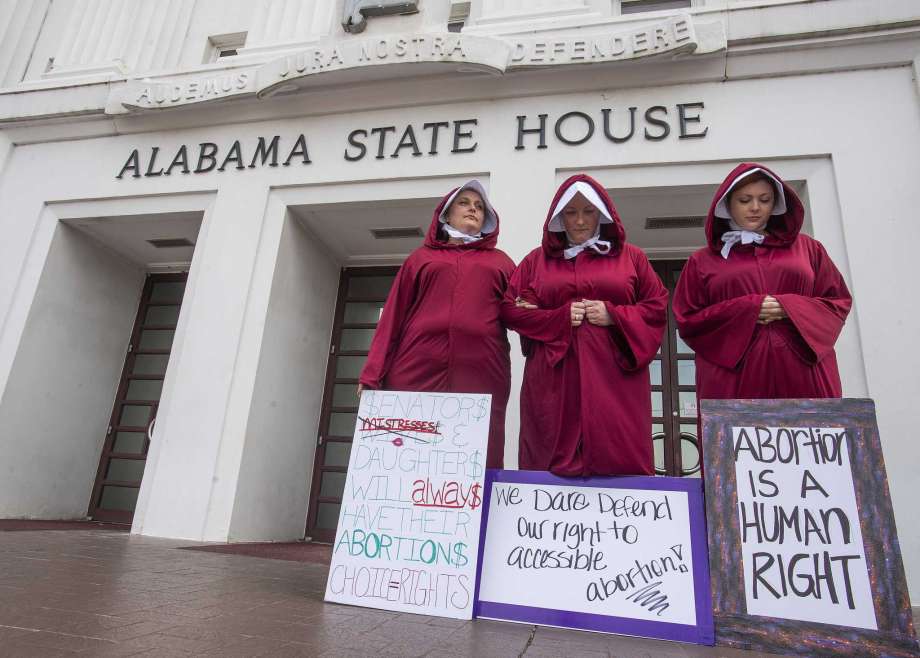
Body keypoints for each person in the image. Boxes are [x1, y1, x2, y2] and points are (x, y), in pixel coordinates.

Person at [502, 174, 668, 477]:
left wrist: (614, 315)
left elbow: (656, 306)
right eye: (571, 212)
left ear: (602, 215)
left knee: (618, 456)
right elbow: (510, 309)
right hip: (553, 378)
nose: (579, 221)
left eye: (588, 212)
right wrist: (556, 317)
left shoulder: (632, 258)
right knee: (547, 458)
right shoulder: (535, 261)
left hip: (615, 377)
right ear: (559, 217)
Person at [357, 180, 514, 469]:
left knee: (476, 450)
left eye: (480, 207)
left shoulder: (501, 262)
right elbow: (393, 316)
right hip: (416, 368)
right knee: (410, 446)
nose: (473, 209)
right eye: (464, 203)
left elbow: (519, 311)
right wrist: (372, 373)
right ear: (446, 214)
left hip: (481, 370)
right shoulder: (420, 259)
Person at [672, 162, 852, 404]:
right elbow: (688, 320)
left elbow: (837, 302)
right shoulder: (702, 261)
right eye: (745, 200)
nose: (755, 208)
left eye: (765, 200)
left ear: (776, 203)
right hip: (734, 378)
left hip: (805, 373)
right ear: (727, 204)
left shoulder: (808, 248)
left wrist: (788, 307)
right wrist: (748, 309)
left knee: (807, 436)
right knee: (738, 441)